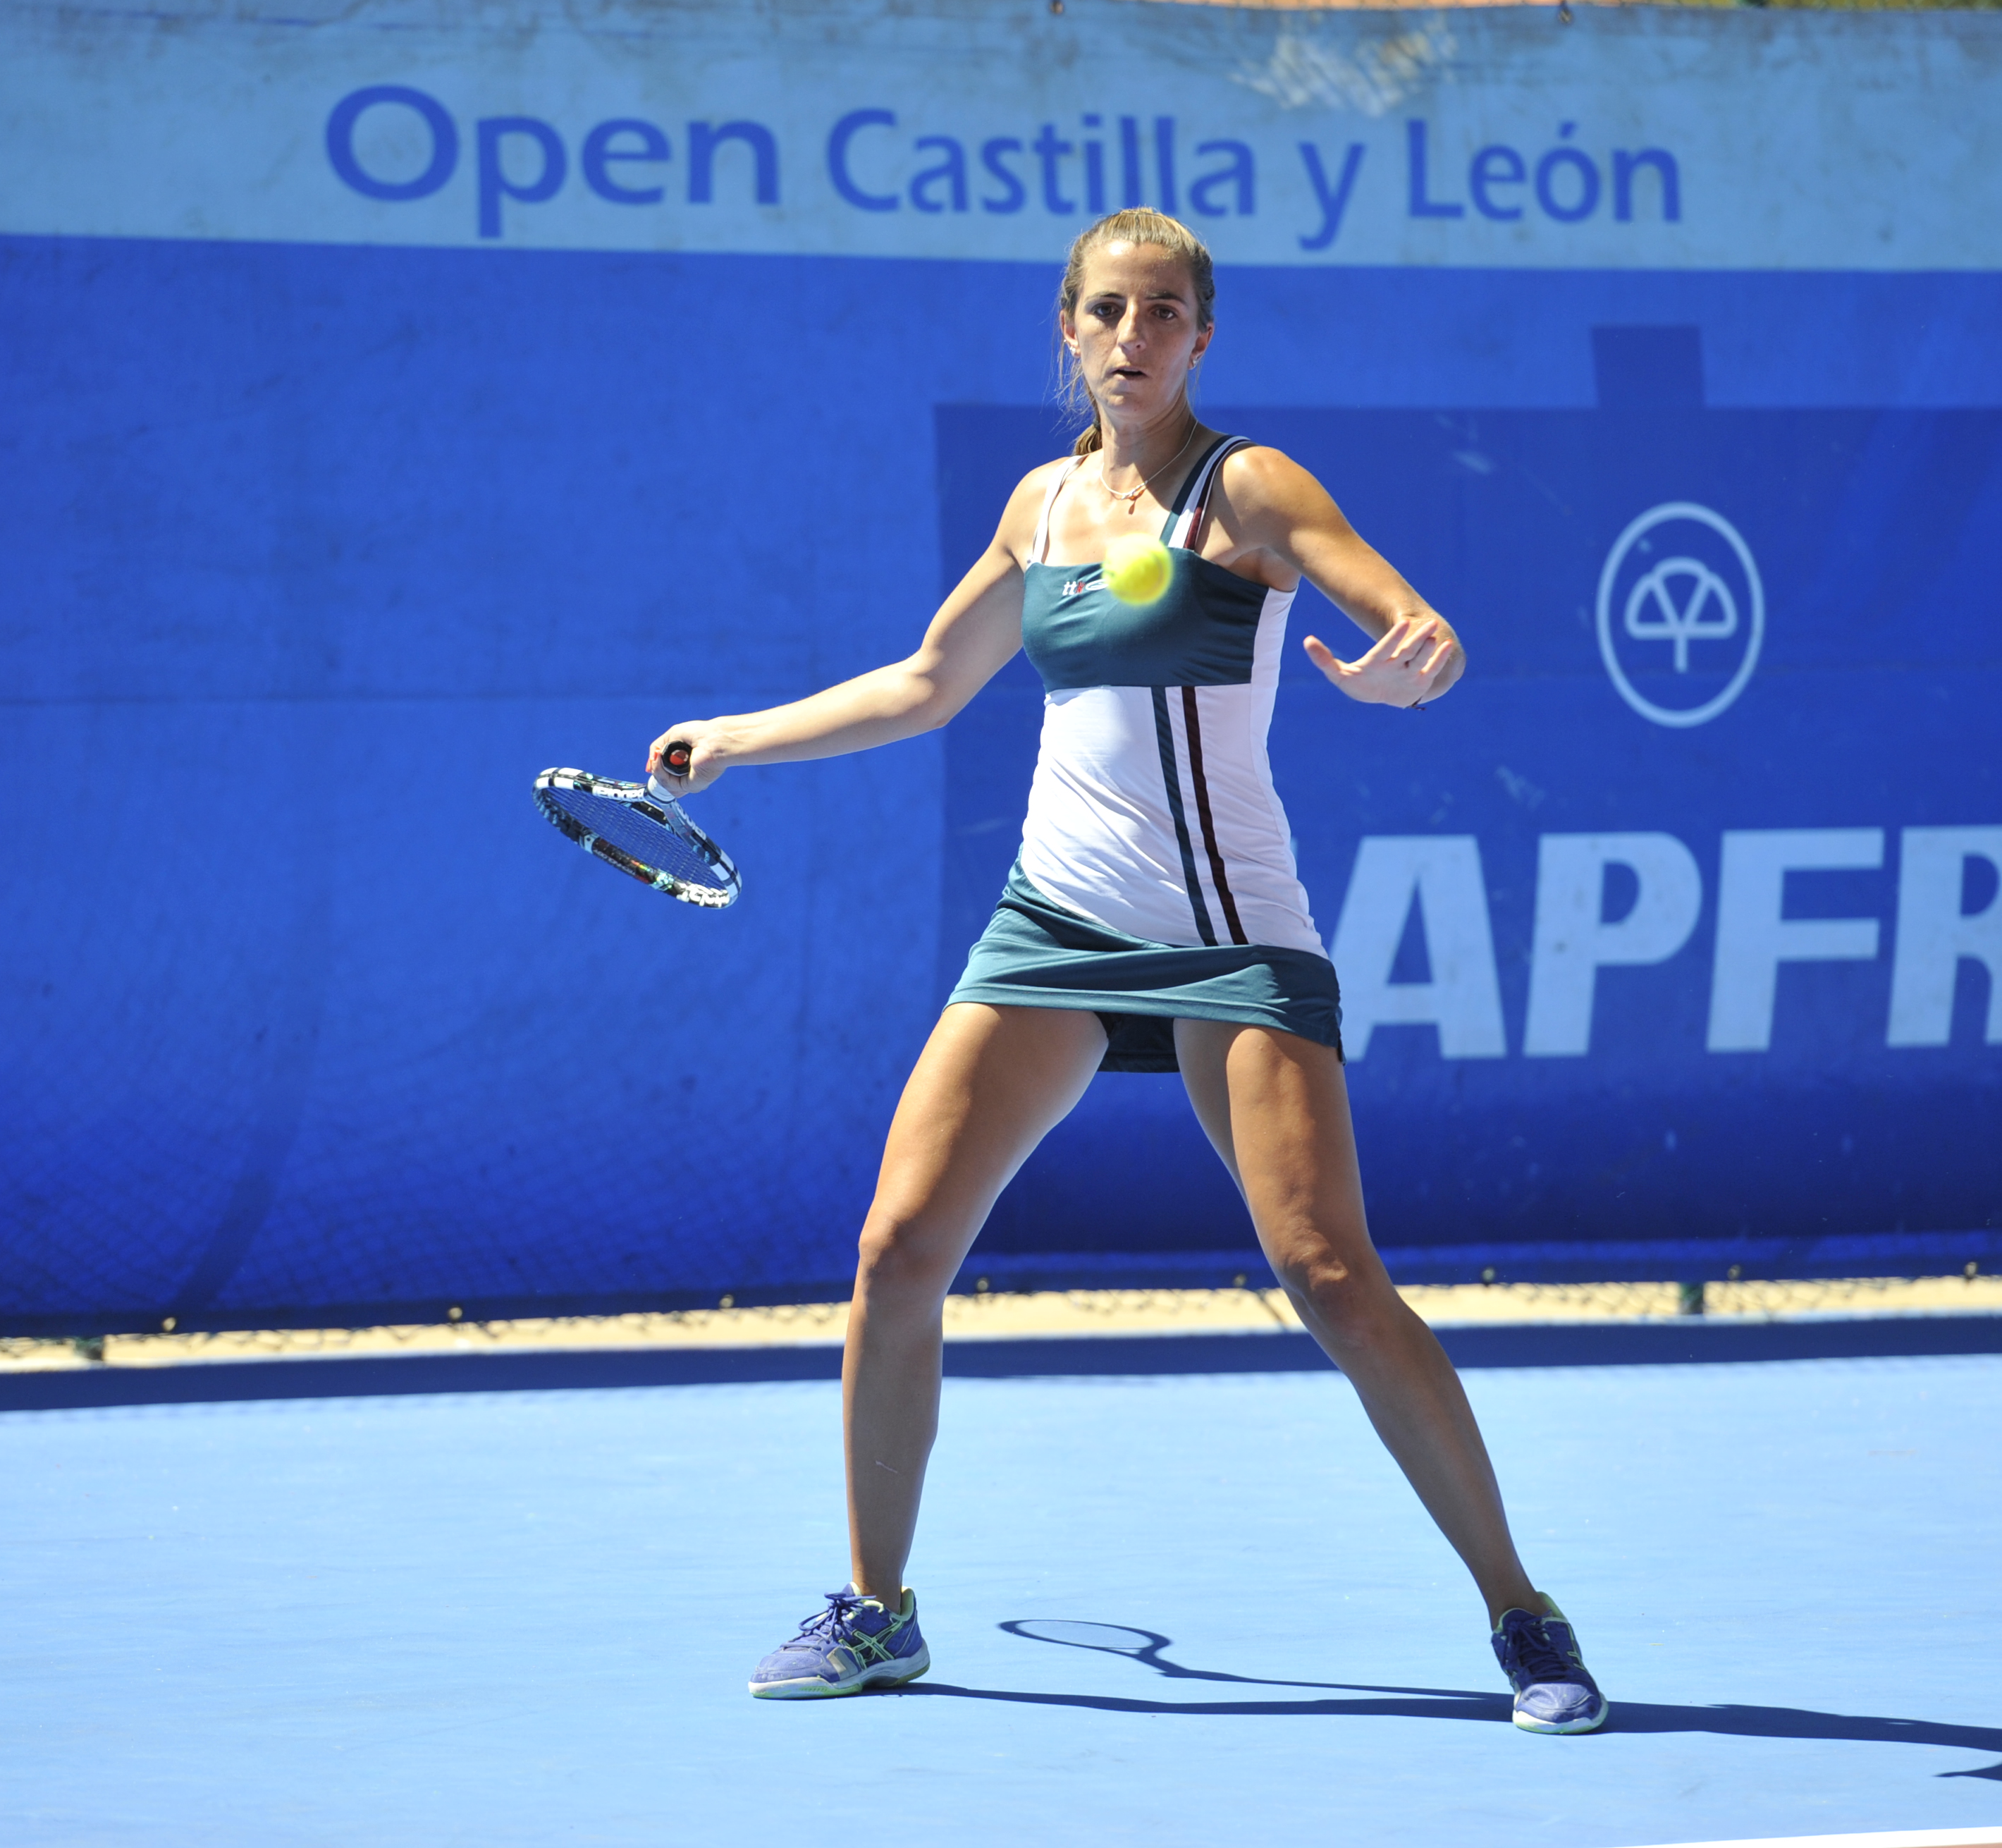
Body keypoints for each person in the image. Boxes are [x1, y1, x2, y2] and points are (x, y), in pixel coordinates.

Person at [645, 207, 1609, 1737]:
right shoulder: (1039, 506)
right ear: (1071, 331)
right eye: (1110, 310)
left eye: (1166, 312)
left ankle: (1522, 1609)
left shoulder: (1253, 486)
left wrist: (1413, 659)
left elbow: (1408, 617)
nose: (1136, 336)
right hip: (1055, 928)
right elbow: (924, 680)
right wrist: (737, 739)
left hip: (1231, 941)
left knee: (1330, 1276)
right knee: (898, 1247)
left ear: (1200, 336)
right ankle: (876, 1608)